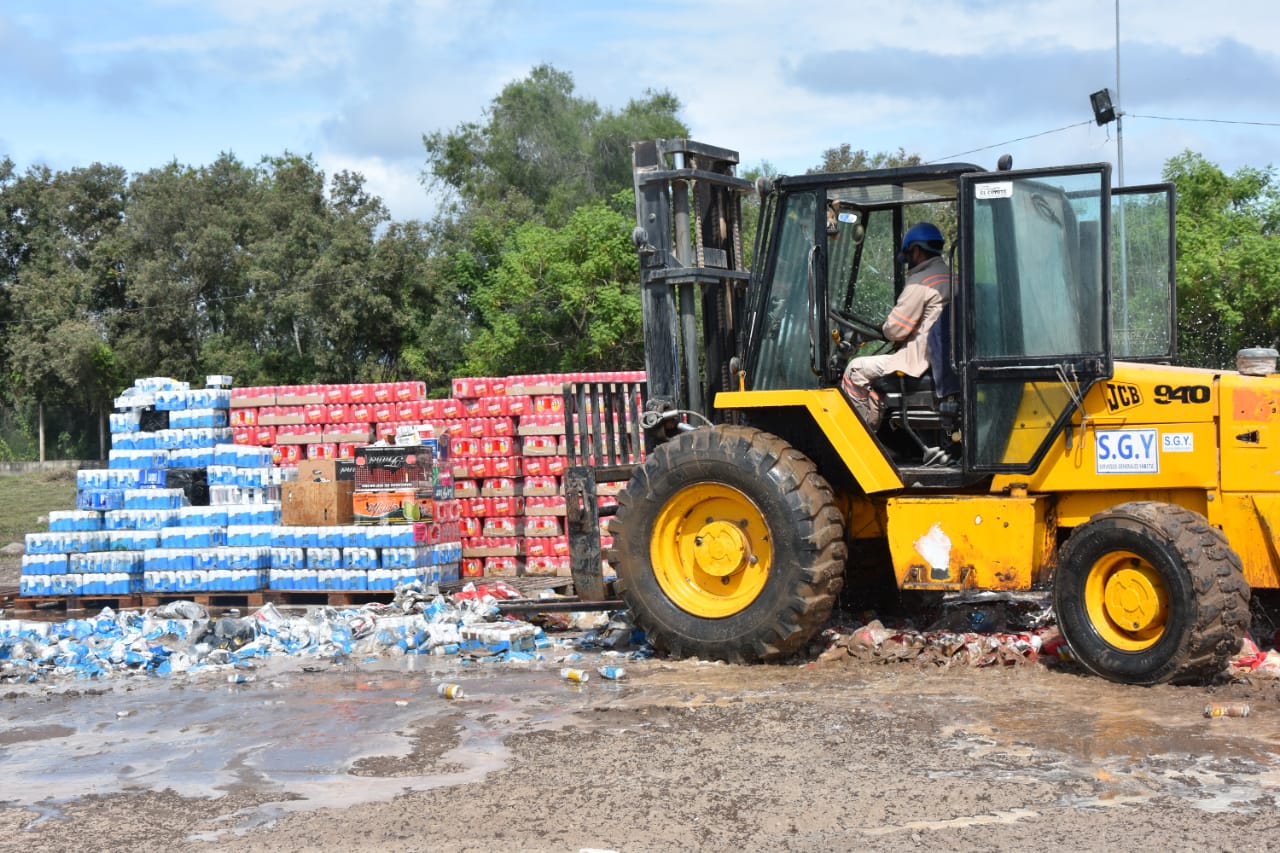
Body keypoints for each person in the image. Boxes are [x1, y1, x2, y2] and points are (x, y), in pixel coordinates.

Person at [841, 221, 951, 431]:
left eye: (908, 256)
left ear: (916, 251)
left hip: (919, 361)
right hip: (943, 361)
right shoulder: (952, 276)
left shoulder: (922, 281)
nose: (908, 262)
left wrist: (882, 328)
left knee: (855, 370)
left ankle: (863, 436)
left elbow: (894, 330)